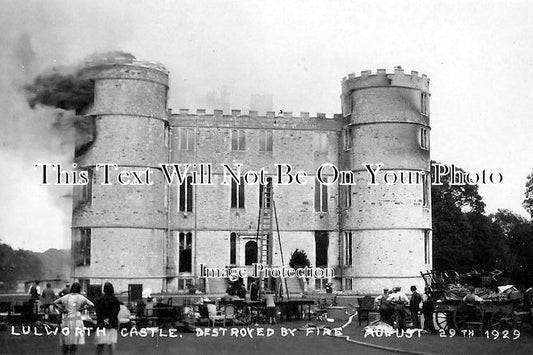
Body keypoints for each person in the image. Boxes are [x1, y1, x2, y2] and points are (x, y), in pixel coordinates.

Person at [54, 282, 94, 355]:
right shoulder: (81, 297)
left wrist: (62, 309)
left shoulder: (66, 297)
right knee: (73, 342)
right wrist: (82, 309)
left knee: (65, 340)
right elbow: (91, 304)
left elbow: (55, 302)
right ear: (79, 289)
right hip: (76, 320)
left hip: (66, 319)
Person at [95, 282, 121, 354]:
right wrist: (109, 320)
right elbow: (116, 312)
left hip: (101, 324)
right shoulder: (115, 300)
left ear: (104, 290)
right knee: (111, 343)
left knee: (100, 343)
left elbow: (98, 312)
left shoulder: (99, 300)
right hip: (112, 324)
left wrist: (104, 320)